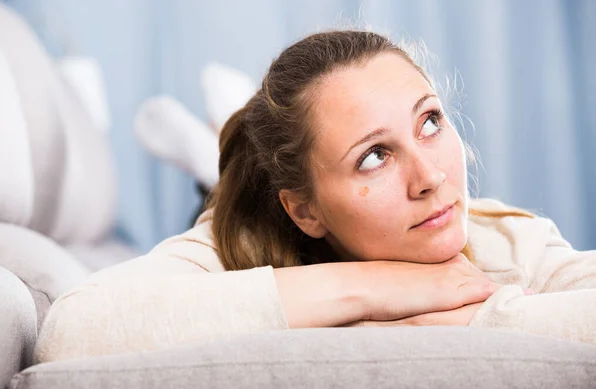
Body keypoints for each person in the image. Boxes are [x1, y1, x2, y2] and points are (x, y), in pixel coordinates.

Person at [34, 30, 596, 363]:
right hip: (252, 218)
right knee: (223, 197)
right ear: (303, 209)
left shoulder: (508, 240)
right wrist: (381, 288)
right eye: (374, 155)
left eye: (430, 121)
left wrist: (468, 321)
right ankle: (219, 163)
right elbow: (71, 331)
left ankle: (227, 138)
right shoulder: (228, 248)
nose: (431, 177)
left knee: (254, 154)